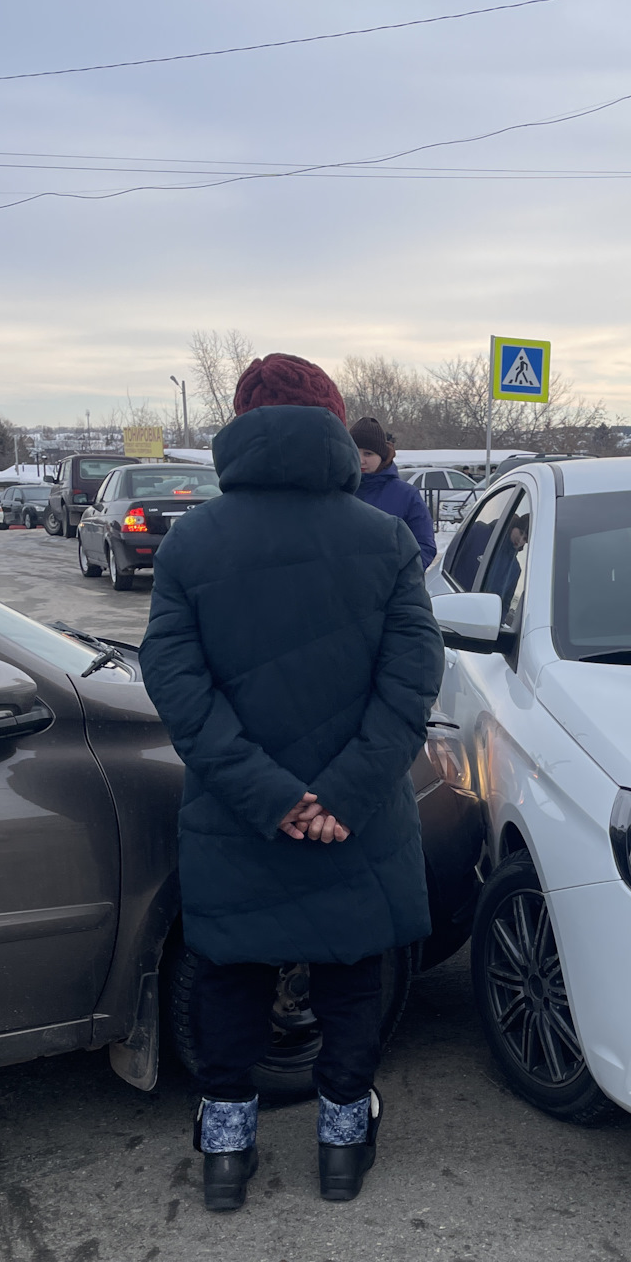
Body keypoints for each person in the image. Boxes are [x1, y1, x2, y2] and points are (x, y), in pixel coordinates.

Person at [139, 352, 445, 1211]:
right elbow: (413, 677)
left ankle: (227, 1158)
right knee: (351, 970)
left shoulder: (192, 540)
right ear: (335, 429)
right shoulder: (384, 538)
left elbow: (177, 684)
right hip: (361, 812)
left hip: (239, 814)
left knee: (231, 970)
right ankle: (342, 1148)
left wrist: (272, 798)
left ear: (238, 429)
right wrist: (340, 795)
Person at [348, 416, 438, 569]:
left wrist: (399, 578)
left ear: (382, 457)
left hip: (391, 590)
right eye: (355, 452)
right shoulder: (335, 492)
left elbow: (424, 546)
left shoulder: (407, 495)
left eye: (368, 453)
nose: (361, 460)